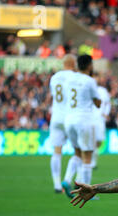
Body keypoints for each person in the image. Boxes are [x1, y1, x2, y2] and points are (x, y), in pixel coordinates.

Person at [61, 55, 101, 198]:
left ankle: (66, 179)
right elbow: (97, 103)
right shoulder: (90, 81)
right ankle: (87, 191)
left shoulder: (69, 79)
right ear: (90, 65)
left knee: (77, 153)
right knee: (87, 157)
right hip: (84, 120)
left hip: (69, 119)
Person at [48, 54, 76, 193]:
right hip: (70, 117)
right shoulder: (75, 77)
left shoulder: (54, 77)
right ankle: (67, 180)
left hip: (56, 117)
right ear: (73, 64)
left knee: (57, 151)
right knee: (80, 151)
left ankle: (57, 184)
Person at [91, 73, 112, 169]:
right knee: (91, 140)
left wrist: (106, 113)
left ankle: (92, 160)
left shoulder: (103, 91)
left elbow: (108, 104)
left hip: (100, 119)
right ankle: (91, 162)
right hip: (90, 119)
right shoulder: (88, 90)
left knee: (98, 141)